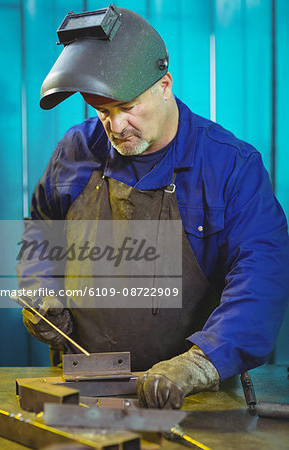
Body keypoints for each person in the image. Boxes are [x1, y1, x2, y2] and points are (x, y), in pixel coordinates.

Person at [18, 5, 289, 409]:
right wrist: (38, 285)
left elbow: (264, 273)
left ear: (165, 85)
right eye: (103, 112)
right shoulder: (76, 151)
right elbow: (41, 229)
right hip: (83, 387)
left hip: (194, 398)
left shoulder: (230, 166)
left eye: (127, 107)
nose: (116, 126)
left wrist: (202, 363)